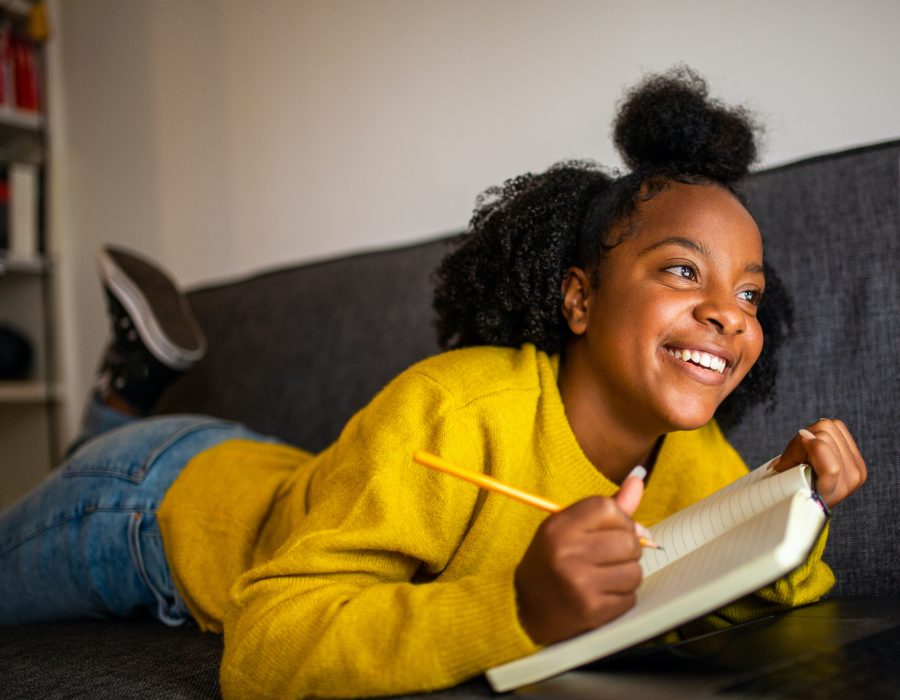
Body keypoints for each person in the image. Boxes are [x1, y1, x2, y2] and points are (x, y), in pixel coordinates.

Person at [0, 67, 866, 699]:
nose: (729, 313)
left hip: (287, 480)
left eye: (749, 292)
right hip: (151, 506)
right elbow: (261, 646)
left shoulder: (695, 451)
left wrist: (786, 503)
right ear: (578, 297)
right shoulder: (450, 409)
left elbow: (762, 597)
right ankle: (118, 415)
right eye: (683, 272)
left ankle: (122, 391)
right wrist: (517, 607)